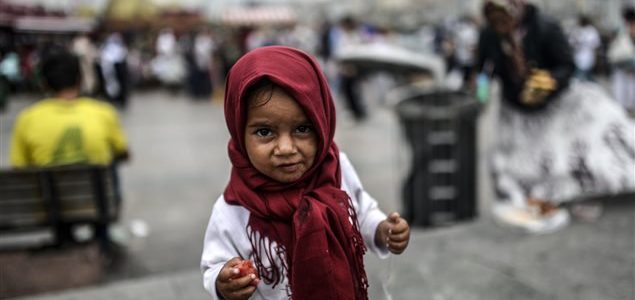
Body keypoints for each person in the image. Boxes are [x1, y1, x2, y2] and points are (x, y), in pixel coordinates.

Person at [200, 46, 410, 299]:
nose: (286, 148)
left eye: (302, 129)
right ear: (238, 131)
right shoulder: (232, 209)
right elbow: (213, 266)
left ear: (323, 124)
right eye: (265, 132)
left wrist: (382, 229)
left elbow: (360, 212)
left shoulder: (336, 167)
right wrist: (223, 282)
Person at [477, 0, 635, 233]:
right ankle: (536, 199)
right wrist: (480, 93)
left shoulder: (546, 27)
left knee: (575, 150)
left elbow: (567, 66)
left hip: (554, 105)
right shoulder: (489, 35)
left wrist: (550, 81)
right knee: (518, 165)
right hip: (516, 109)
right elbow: (482, 70)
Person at [10, 48, 130, 242]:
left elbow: (20, 167)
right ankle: (102, 239)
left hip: (51, 206)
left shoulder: (27, 119)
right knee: (108, 167)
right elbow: (124, 153)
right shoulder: (102, 112)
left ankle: (64, 239)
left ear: (44, 83)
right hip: (98, 202)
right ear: (80, 80)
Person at [607, 6, 635, 114]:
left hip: (629, 70)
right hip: (622, 68)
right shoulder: (621, 32)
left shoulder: (622, 31)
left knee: (627, 96)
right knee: (622, 97)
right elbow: (616, 55)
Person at [569, 15, 601, 81]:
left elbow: (595, 45)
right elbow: (571, 43)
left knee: (588, 76)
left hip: (589, 56)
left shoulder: (591, 30)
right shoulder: (576, 30)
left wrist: (596, 58)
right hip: (578, 57)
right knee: (578, 78)